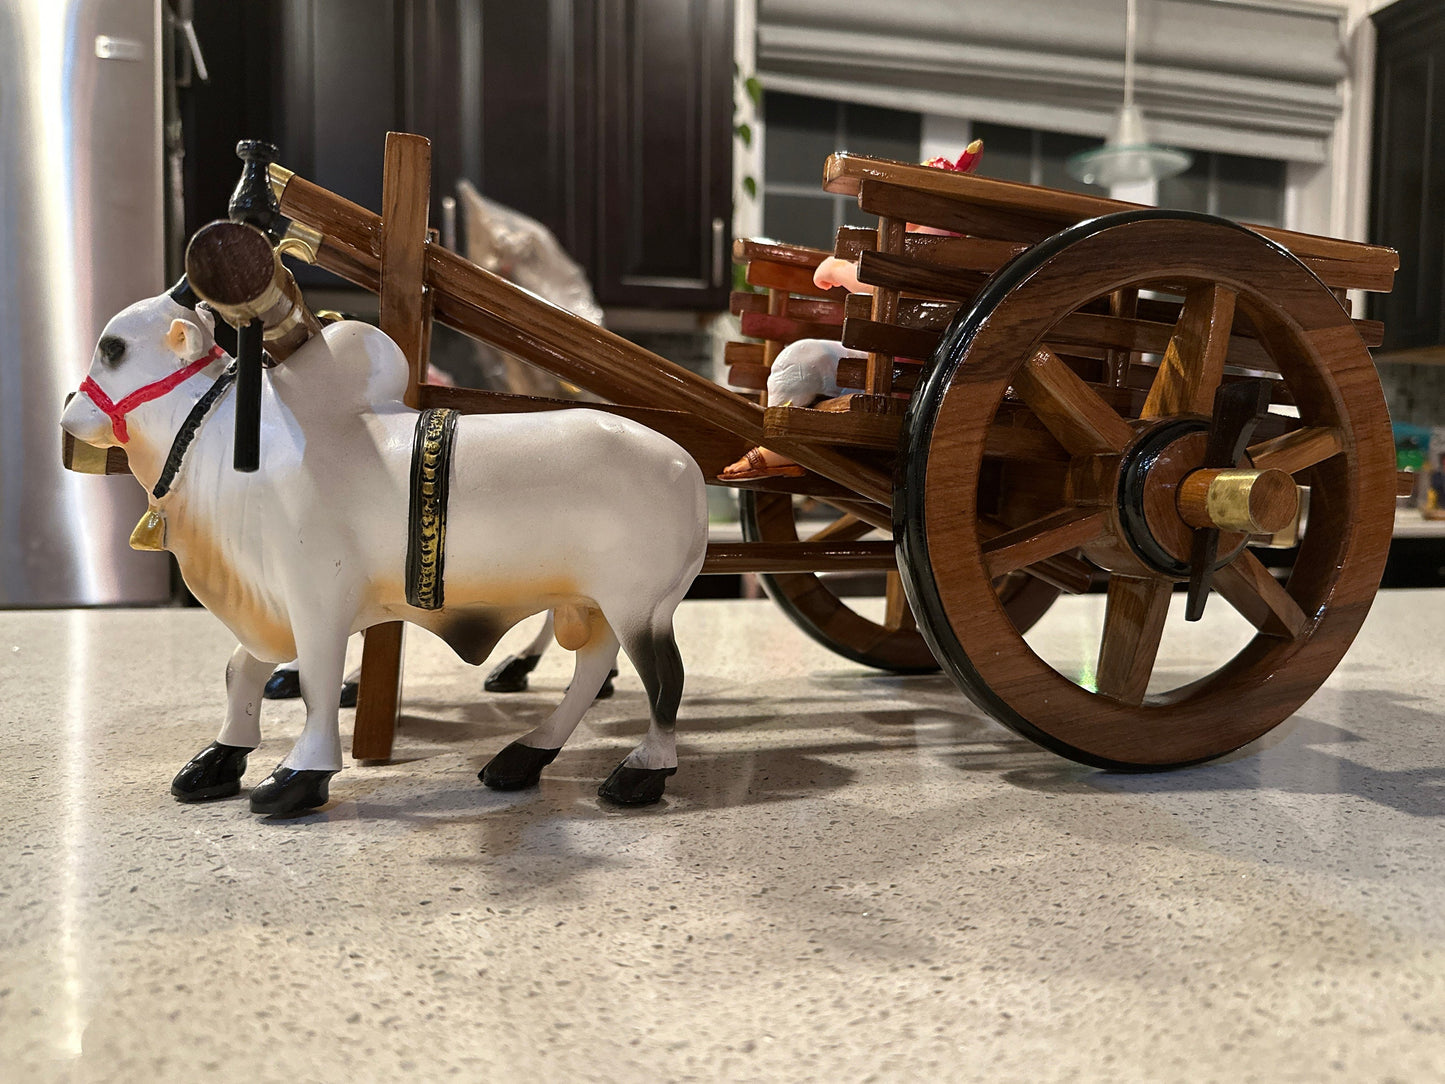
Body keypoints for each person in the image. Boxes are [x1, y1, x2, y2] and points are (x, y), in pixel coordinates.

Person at [719, 141, 983, 482]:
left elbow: (891, 282)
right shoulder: (950, 255)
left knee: (798, 361)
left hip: (897, 377)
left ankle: (780, 446)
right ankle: (785, 438)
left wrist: (839, 270)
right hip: (905, 371)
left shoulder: (933, 252)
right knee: (802, 361)